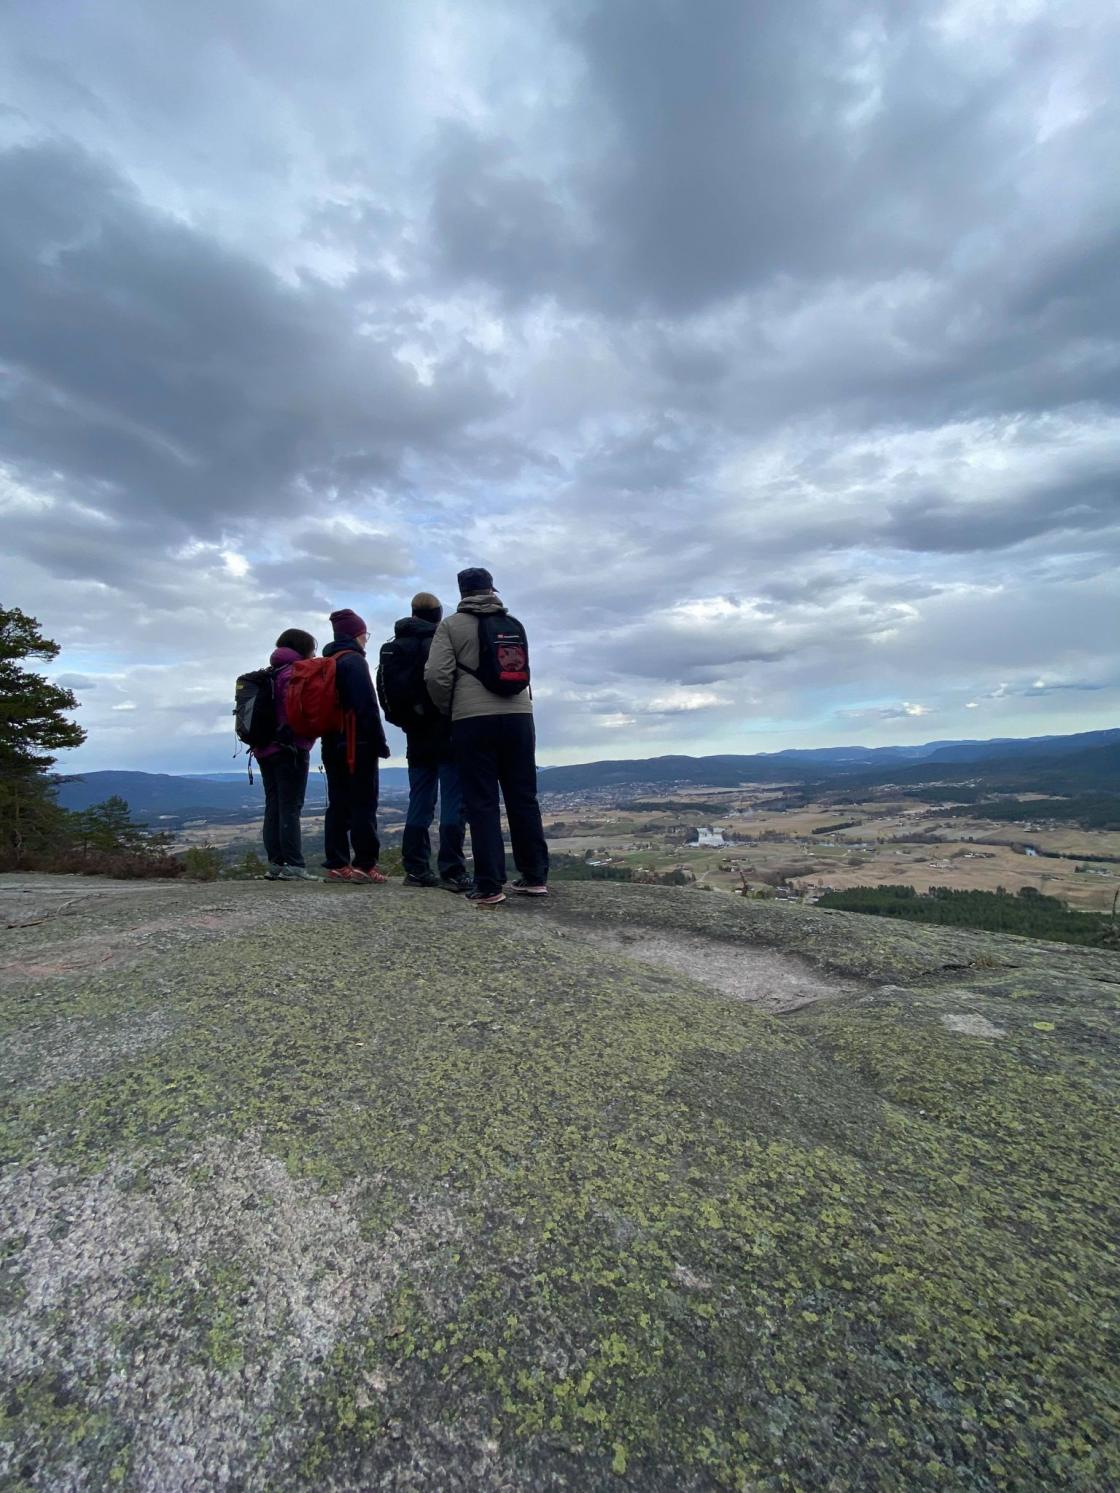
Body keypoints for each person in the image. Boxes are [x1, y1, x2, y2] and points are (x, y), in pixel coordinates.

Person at [424, 567, 549, 907]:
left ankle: (490, 885)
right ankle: (535, 876)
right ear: (492, 590)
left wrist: (450, 708)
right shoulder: (513, 624)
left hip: (473, 719)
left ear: (462, 593)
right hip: (520, 716)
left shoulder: (451, 626)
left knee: (482, 802)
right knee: (523, 797)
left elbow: (436, 675)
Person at [376, 592, 470, 892]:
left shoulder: (392, 648)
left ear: (413, 613)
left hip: (415, 735)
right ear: (438, 614)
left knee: (420, 801)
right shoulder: (441, 642)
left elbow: (385, 695)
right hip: (448, 731)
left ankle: (416, 869)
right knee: (453, 801)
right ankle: (452, 870)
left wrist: (408, 721)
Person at [321, 608, 391, 884]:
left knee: (338, 803)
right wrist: (379, 743)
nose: (365, 640)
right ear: (356, 635)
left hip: (331, 742)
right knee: (364, 803)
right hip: (357, 744)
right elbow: (367, 707)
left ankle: (337, 864)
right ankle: (364, 864)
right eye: (364, 635)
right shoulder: (354, 662)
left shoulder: (328, 661)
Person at [256, 628, 317, 881]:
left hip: (264, 749)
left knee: (273, 805)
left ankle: (276, 864)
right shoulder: (294, 673)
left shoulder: (271, 672)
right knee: (290, 806)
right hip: (289, 749)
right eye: (312, 649)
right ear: (303, 648)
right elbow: (299, 712)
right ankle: (294, 865)